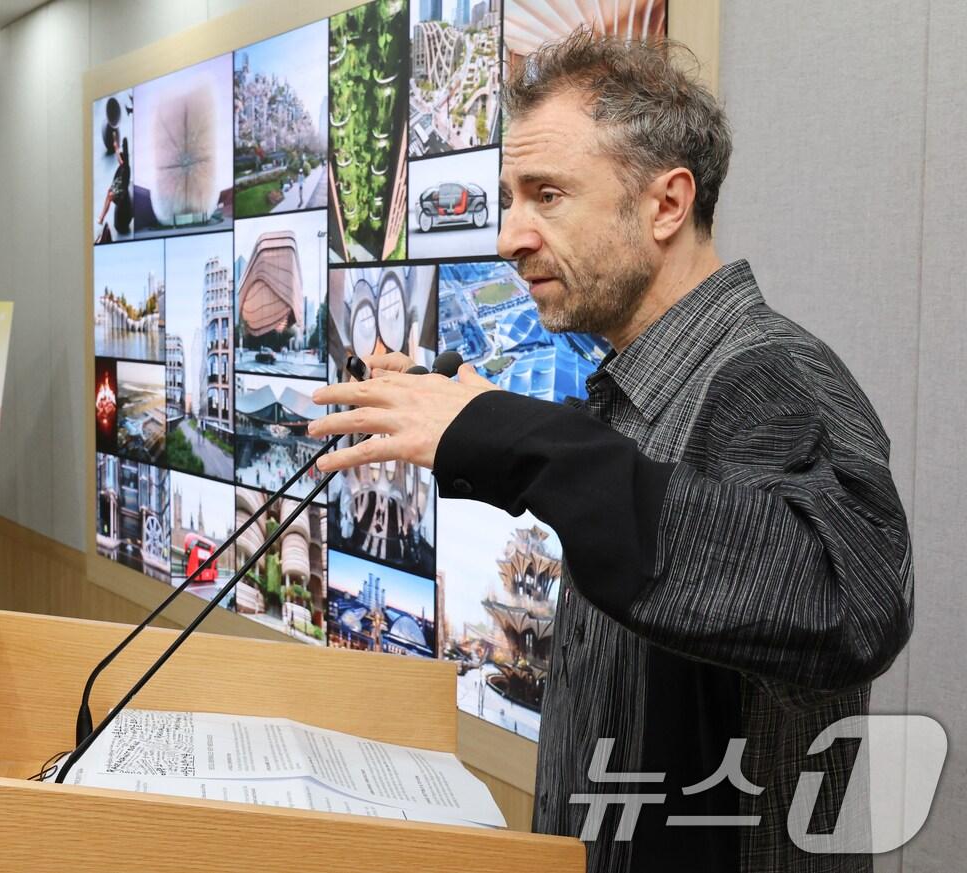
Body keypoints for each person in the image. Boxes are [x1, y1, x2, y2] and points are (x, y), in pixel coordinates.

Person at [310, 32, 912, 873]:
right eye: (511, 198)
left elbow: (852, 603)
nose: (512, 236)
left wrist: (515, 437)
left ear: (666, 204)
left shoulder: (770, 376)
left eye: (547, 196)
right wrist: (492, 425)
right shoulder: (641, 387)